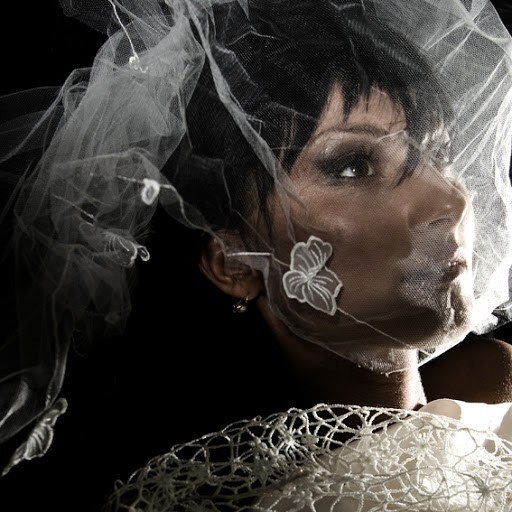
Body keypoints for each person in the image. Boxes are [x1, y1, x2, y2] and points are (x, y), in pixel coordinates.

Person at [1, 0, 512, 510]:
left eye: (436, 153)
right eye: (353, 166)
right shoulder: (260, 501)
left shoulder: (492, 388)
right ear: (234, 262)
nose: (450, 202)